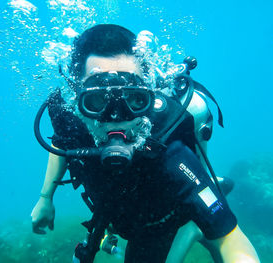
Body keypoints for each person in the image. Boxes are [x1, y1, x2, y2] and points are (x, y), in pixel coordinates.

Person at [31, 24, 260, 263]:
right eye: (97, 100)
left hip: (160, 223)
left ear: (148, 94)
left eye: (134, 99)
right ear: (77, 94)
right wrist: (45, 197)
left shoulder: (166, 143)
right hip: (118, 214)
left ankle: (193, 224)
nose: (116, 118)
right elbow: (61, 144)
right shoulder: (72, 117)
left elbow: (230, 238)